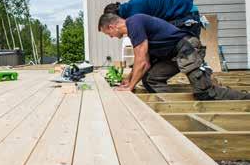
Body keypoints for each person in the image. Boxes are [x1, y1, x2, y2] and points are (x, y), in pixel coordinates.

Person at [97, 12, 249, 100]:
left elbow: (141, 60)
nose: (110, 37)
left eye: (108, 33)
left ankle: (245, 99)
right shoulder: (134, 27)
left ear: (112, 26)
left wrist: (130, 87)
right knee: (150, 79)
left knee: (206, 93)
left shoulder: (134, 23)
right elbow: (146, 62)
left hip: (187, 49)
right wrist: (129, 80)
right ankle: (174, 108)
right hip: (174, 55)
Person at [104, 0, 202, 37]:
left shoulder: (135, 15)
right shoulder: (131, 7)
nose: (111, 36)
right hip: (184, 13)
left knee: (186, 53)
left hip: (186, 16)